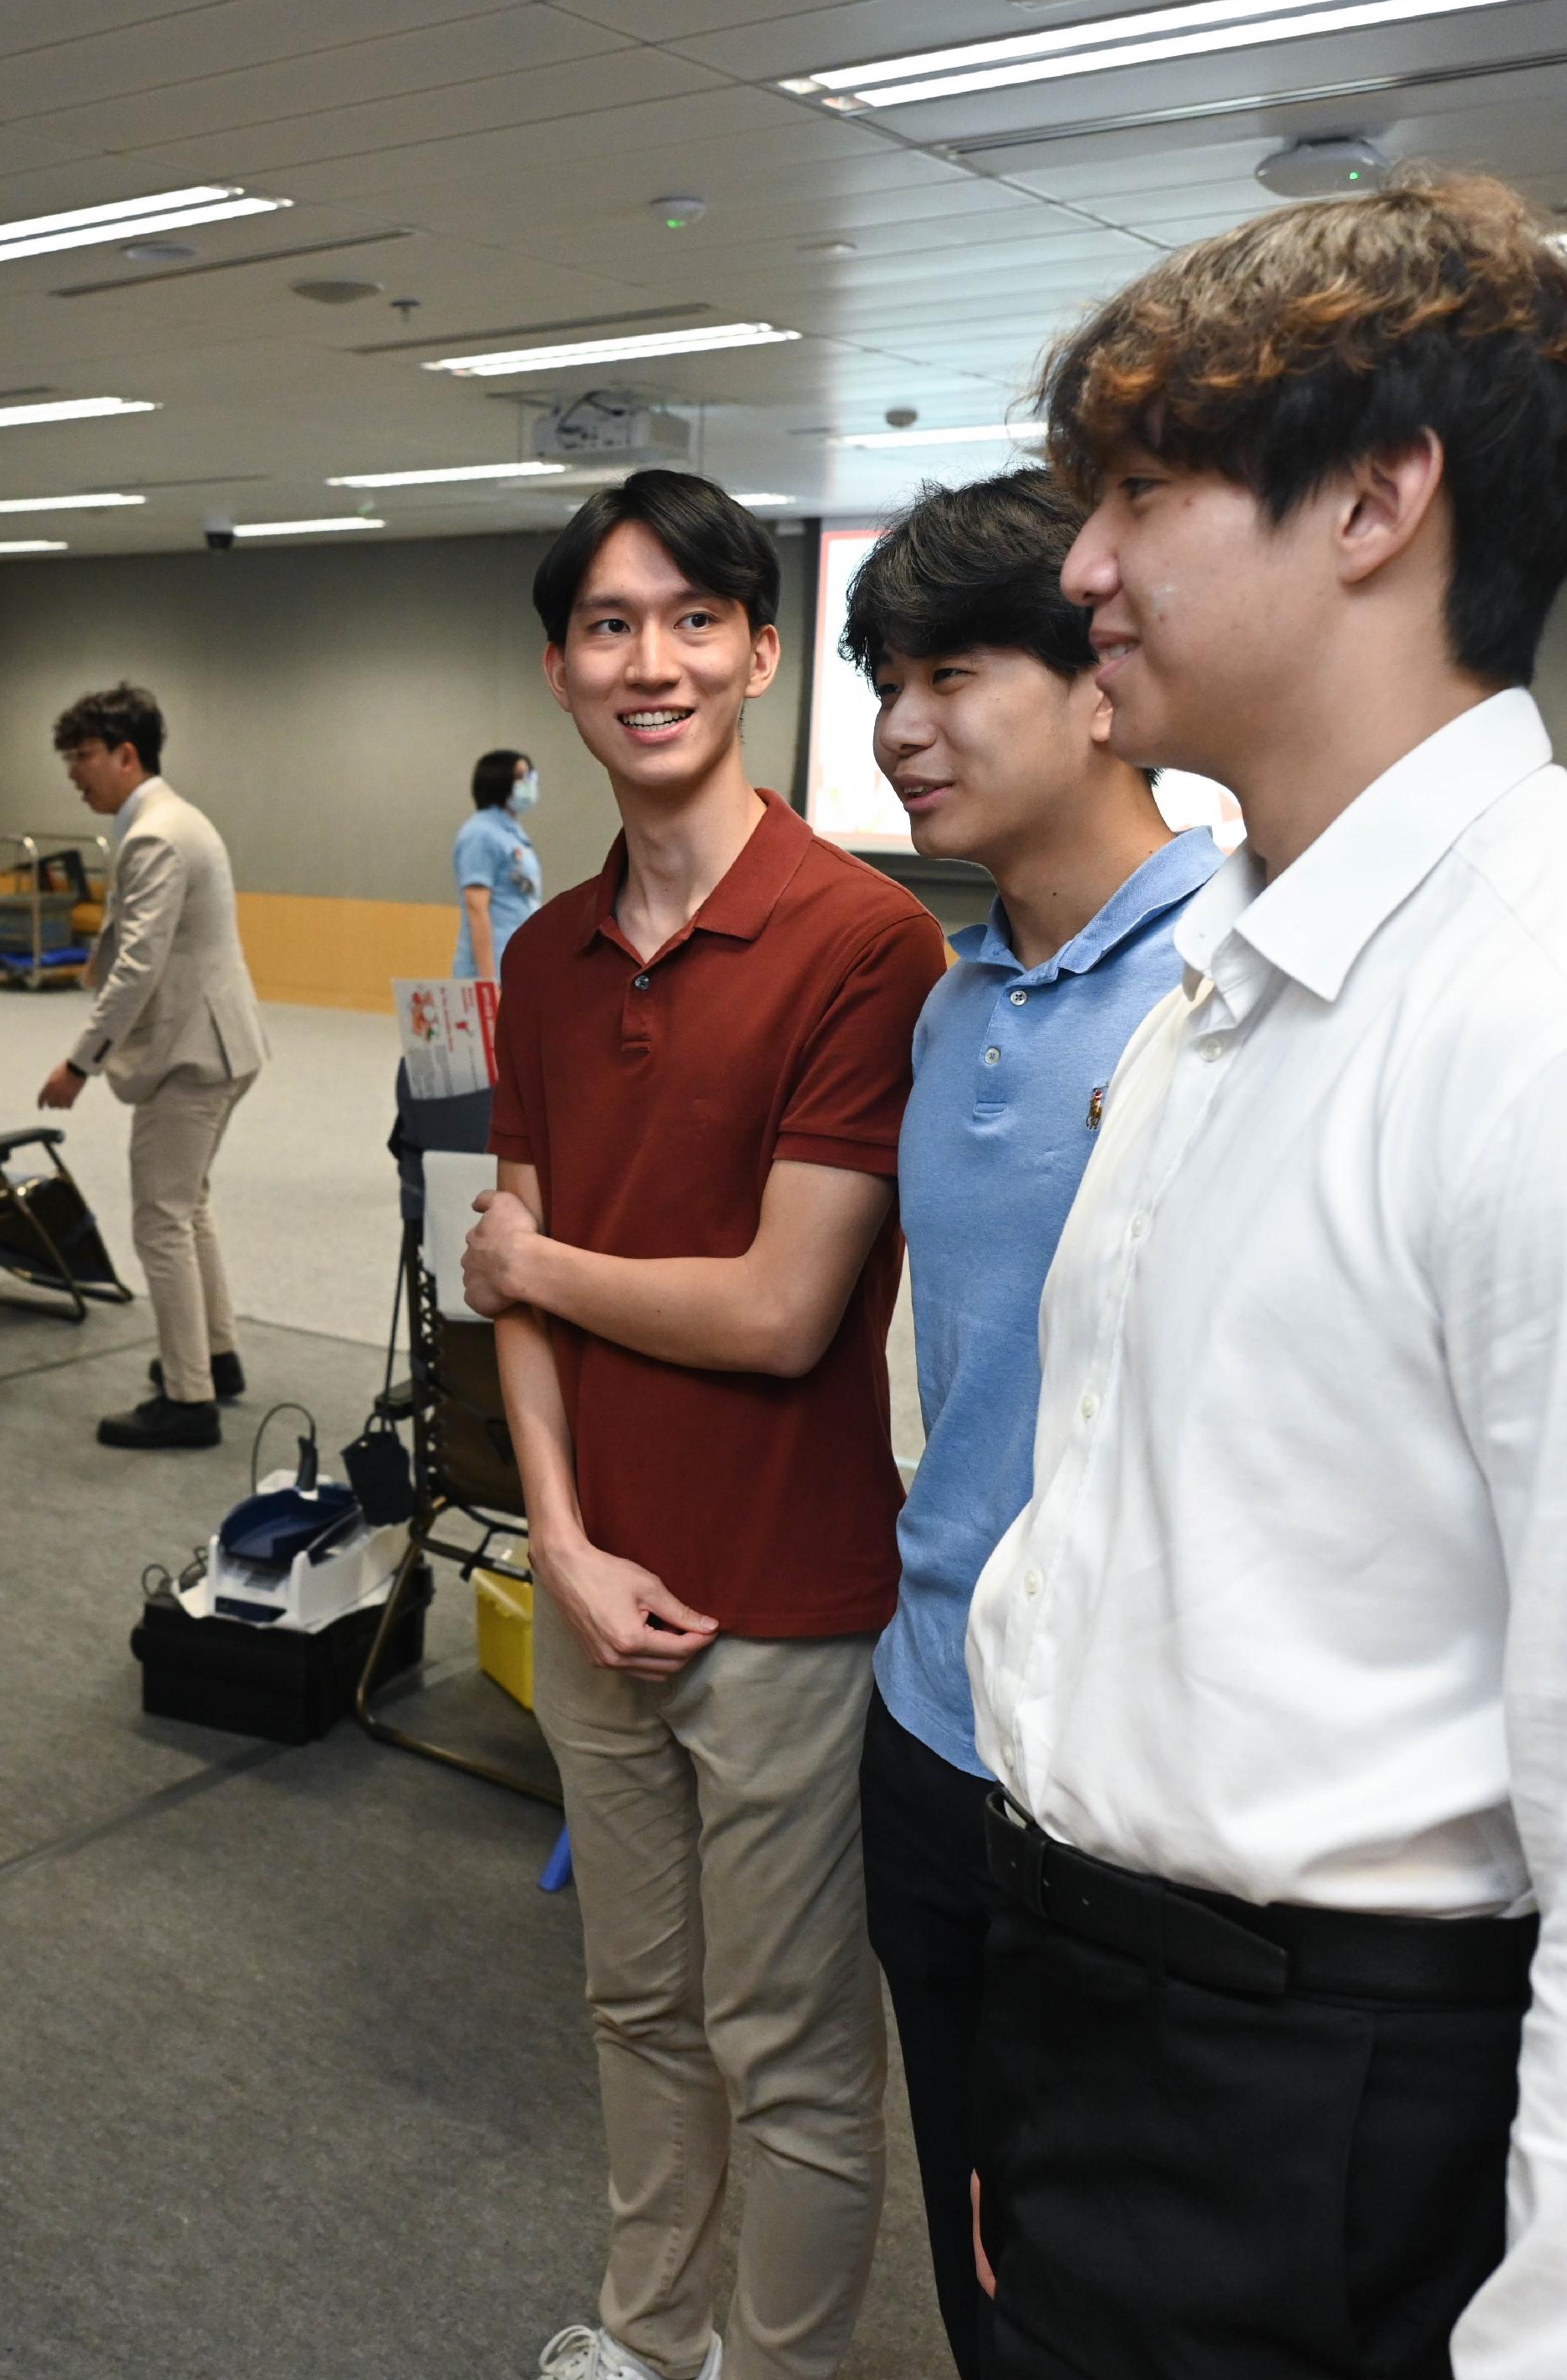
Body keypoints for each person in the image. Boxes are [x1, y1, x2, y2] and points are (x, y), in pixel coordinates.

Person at [964, 174, 1567, 2379]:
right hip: (1124, 2039)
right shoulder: (1245, 963)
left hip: (1358, 2121)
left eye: (1138, 491)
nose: (1082, 567)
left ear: (1382, 498)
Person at [459, 471, 946, 2380]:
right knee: (634, 2006)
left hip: (785, 1601)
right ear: (562, 668)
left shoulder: (858, 940)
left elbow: (774, 1308)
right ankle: (648, 2339)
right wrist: (557, 1542)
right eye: (603, 624)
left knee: (789, 2044)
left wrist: (548, 1269)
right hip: (596, 1577)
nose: (645, 660)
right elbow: (505, 1289)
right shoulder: (543, 959)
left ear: (757, 649)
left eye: (687, 620)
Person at [836, 470, 1221, 2380]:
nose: (901, 726)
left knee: (1123, 2310)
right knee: (983, 2287)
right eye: (882, 678)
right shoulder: (951, 993)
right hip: (927, 1737)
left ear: (1102, 679)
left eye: (953, 669)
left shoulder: (1239, 982)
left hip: (1139, 1794)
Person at [35, 682, 269, 1449]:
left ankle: (188, 1398)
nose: (75, 774)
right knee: (188, 1205)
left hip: (192, 1055)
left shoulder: (156, 835)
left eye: (83, 756)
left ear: (126, 754)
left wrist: (79, 1062)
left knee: (159, 1220)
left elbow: (137, 968)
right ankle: (215, 1356)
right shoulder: (168, 820)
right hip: (216, 1043)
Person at [455, 746, 542, 981]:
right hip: (491, 969)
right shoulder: (480, 833)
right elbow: (476, 907)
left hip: (517, 960)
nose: (529, 783)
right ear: (498, 780)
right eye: (521, 777)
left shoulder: (511, 833)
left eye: (530, 776)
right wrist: (488, 982)